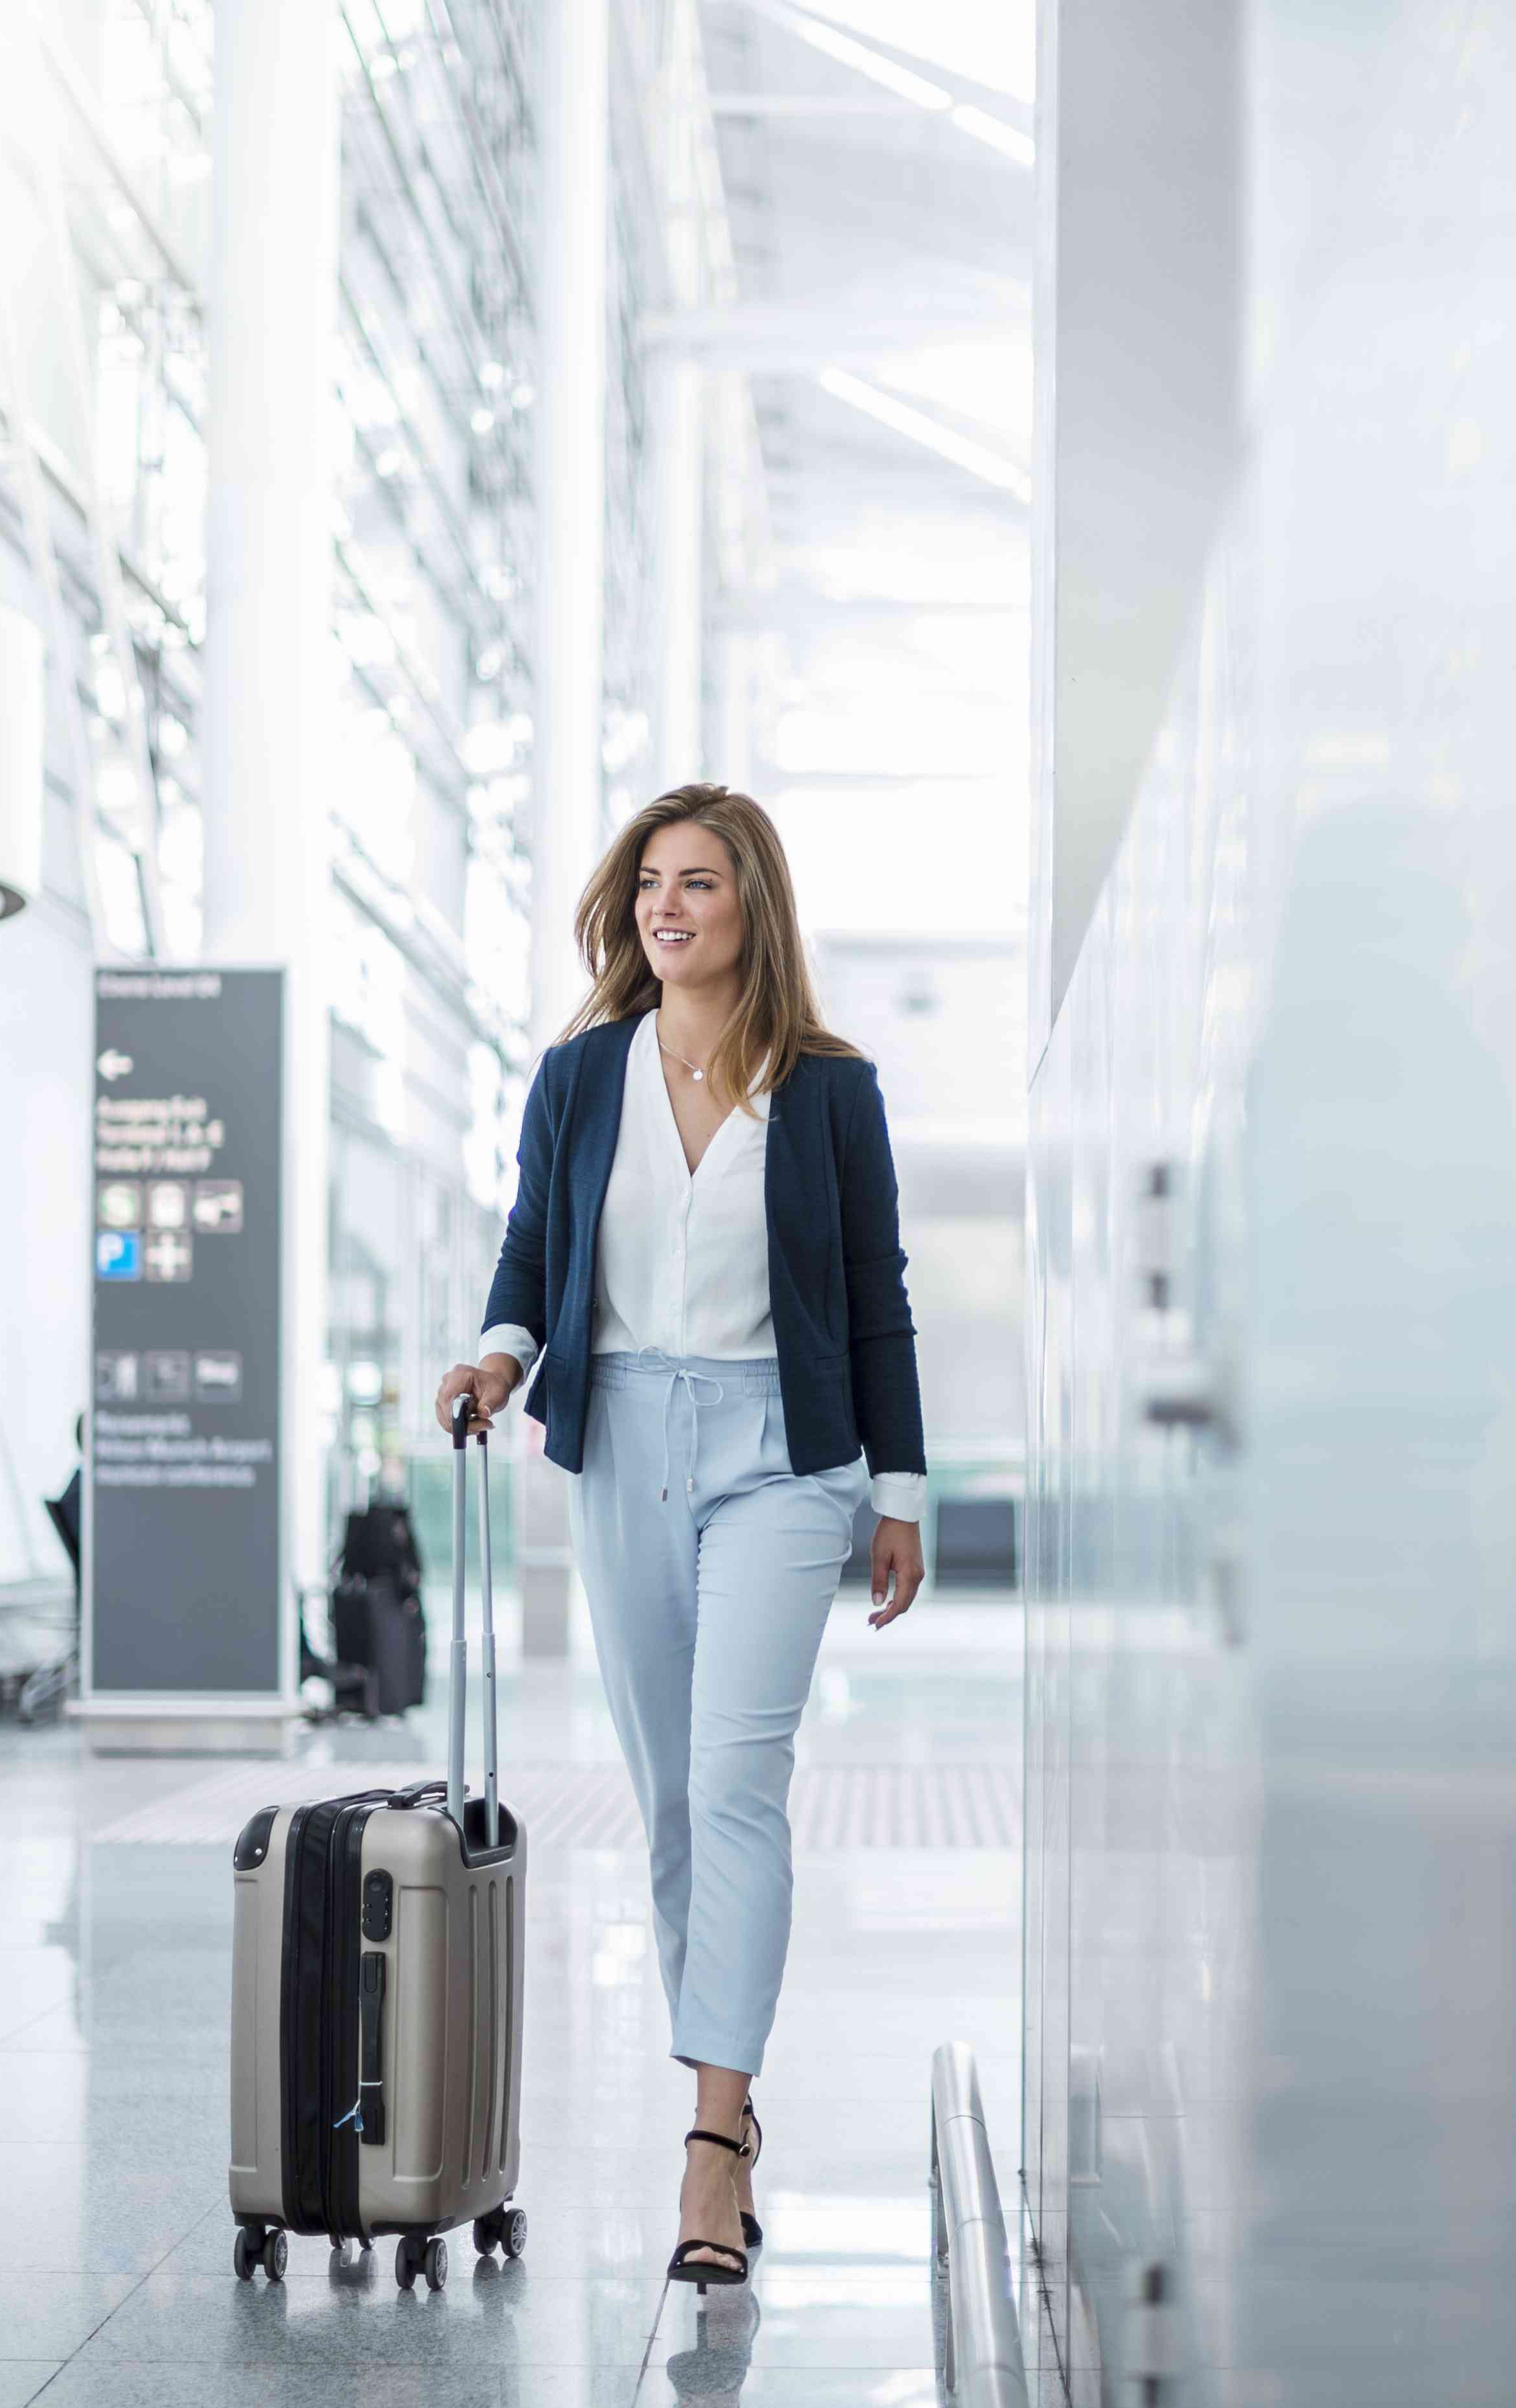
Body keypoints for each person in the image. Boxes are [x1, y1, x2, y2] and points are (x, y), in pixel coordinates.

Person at [436, 781, 926, 2291]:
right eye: (651, 881)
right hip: (626, 1436)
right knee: (662, 1804)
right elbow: (534, 1244)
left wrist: (896, 1490)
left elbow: (877, 1290)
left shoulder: (829, 1087)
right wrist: (499, 1350)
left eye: (700, 883)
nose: (668, 906)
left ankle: (712, 2142)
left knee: (733, 1785)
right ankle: (727, 2085)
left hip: (783, 1455)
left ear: (750, 909)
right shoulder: (581, 1074)